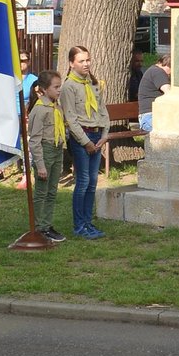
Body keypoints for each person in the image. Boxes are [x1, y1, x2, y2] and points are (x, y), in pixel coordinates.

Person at [60, 44, 106, 238]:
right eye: (81, 61)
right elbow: (70, 118)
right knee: (83, 181)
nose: (86, 64)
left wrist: (104, 134)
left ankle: (88, 222)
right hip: (81, 138)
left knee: (93, 182)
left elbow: (103, 110)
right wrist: (85, 141)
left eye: (88, 60)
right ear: (72, 64)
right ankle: (79, 226)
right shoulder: (69, 87)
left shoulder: (94, 84)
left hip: (97, 136)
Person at [28, 69, 67, 241]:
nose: (59, 90)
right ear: (43, 89)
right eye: (56, 87)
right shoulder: (40, 110)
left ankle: (47, 224)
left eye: (60, 87)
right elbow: (34, 140)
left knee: (52, 191)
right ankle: (38, 227)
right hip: (45, 151)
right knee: (41, 192)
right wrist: (40, 164)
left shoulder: (56, 106)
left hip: (57, 149)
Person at [136, 51, 171, 134]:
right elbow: (169, 92)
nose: (171, 74)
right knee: (172, 132)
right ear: (168, 65)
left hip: (153, 116)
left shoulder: (154, 70)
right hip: (149, 117)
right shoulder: (158, 72)